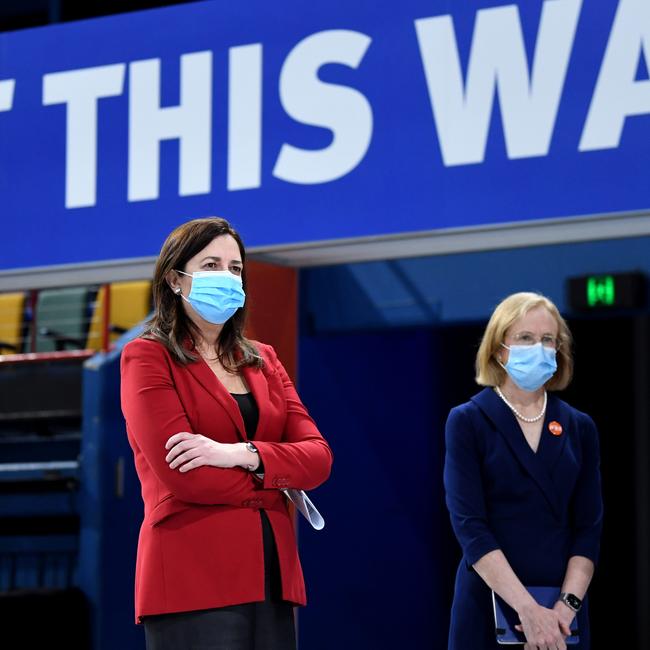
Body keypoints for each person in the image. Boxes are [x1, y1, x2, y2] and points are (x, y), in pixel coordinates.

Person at [120, 216, 333, 650]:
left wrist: (240, 454)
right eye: (212, 265)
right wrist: (274, 478)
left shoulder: (264, 360)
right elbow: (184, 475)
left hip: (273, 575)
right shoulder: (147, 357)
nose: (227, 277)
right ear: (176, 281)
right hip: (190, 575)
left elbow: (318, 458)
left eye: (235, 269)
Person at [444, 292, 603, 650]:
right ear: (500, 349)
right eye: (526, 338)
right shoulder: (468, 421)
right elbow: (470, 526)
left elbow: (588, 529)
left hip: (564, 617)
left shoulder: (579, 427)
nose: (540, 348)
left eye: (548, 340)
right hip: (490, 604)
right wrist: (528, 611)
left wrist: (565, 609)